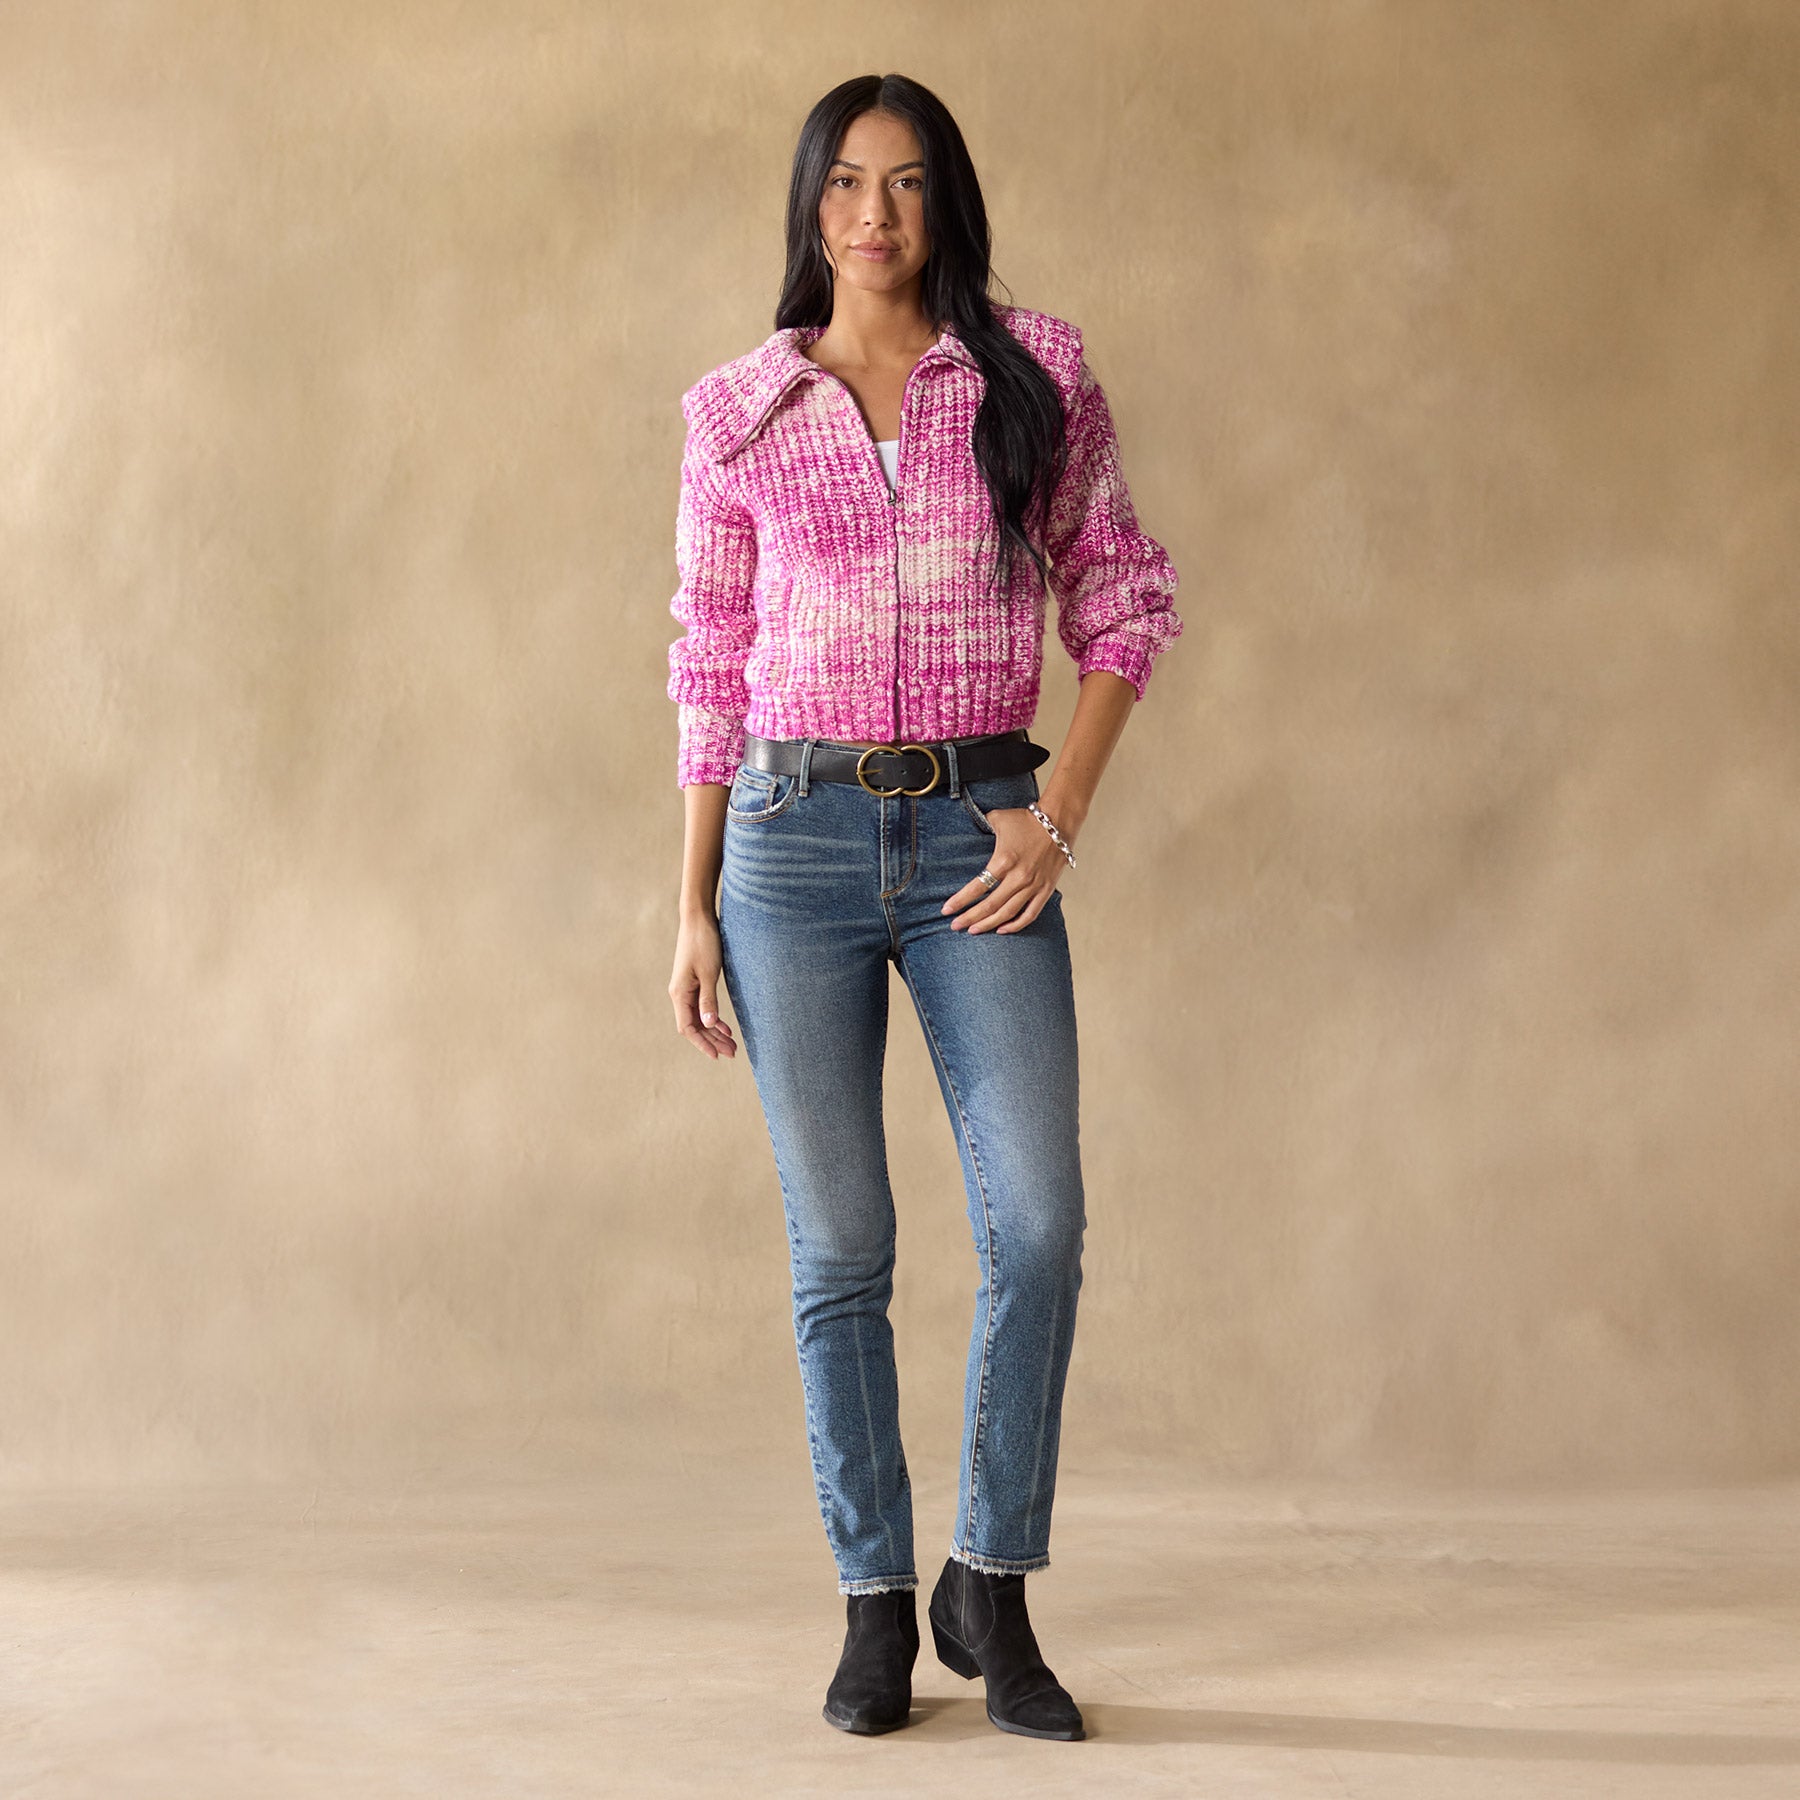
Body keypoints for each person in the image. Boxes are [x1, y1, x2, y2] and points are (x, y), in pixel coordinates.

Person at [664, 72, 1182, 1743]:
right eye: (844, 183)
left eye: (902, 183)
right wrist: (691, 906)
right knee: (843, 1249)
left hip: (980, 831)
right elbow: (709, 667)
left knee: (1039, 1221)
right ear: (808, 204)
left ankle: (993, 1588)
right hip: (789, 847)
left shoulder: (1033, 376)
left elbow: (1123, 596)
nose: (872, 215)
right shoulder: (738, 412)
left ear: (943, 200)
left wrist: (1060, 811)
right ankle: (875, 1603)